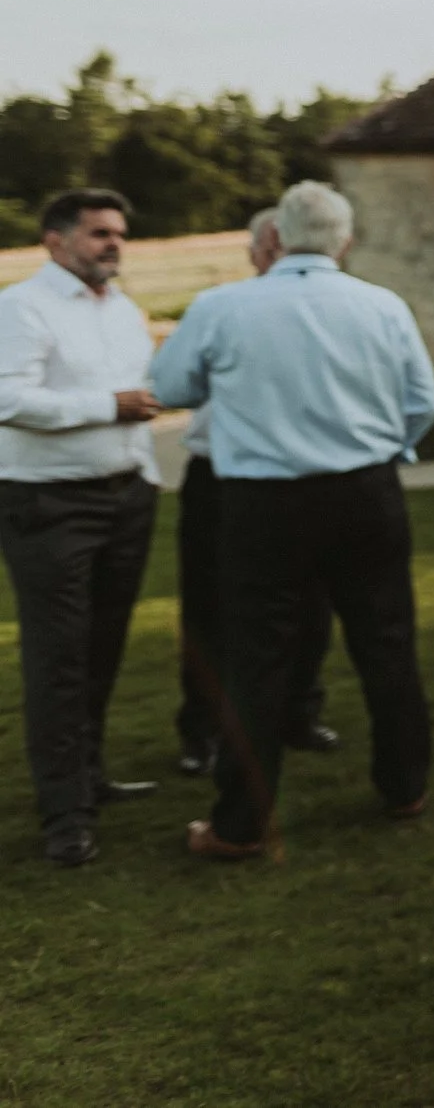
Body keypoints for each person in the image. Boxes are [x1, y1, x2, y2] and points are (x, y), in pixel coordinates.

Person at [152, 181, 434, 858]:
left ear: (276, 235)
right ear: (345, 239)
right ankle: (405, 787)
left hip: (264, 503)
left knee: (258, 657)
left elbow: (168, 387)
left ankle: (242, 824)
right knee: (387, 642)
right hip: (367, 495)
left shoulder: (223, 306)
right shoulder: (382, 305)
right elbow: (422, 400)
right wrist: (388, 446)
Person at [0, 189, 164, 868]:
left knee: (102, 648)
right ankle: (65, 815)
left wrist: (145, 469)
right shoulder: (21, 306)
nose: (114, 243)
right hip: (49, 506)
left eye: (119, 233)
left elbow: (141, 399)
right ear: (56, 240)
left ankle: (91, 778)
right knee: (59, 657)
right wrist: (109, 405)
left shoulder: (123, 310)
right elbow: (6, 396)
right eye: (99, 233)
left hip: (127, 499)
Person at [174, 207, 336, 777]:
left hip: (303, 478)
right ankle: (204, 729)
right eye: (266, 243)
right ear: (254, 252)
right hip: (221, 476)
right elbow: (173, 383)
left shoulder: (321, 310)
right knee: (212, 607)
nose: (276, 250)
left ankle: (299, 712)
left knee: (311, 603)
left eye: (282, 240)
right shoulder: (223, 310)